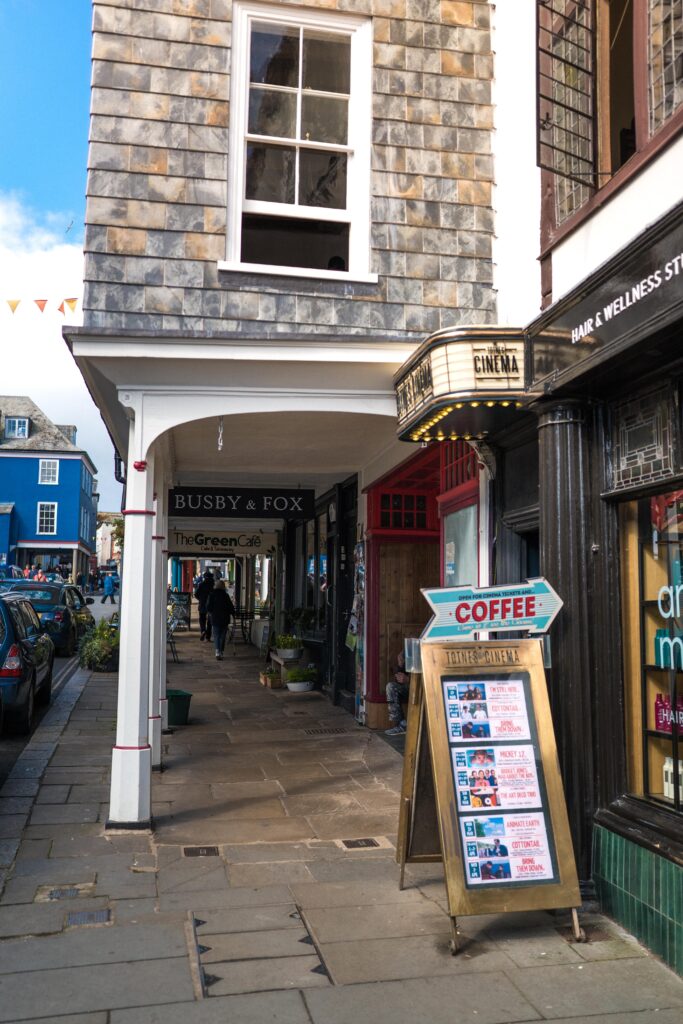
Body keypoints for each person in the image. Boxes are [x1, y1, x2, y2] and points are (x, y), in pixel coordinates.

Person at [206, 579, 235, 660]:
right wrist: (233, 613)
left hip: (215, 618)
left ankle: (217, 651)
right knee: (222, 636)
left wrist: (210, 613)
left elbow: (208, 607)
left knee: (216, 635)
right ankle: (221, 651)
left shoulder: (212, 595)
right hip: (225, 618)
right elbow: (230, 607)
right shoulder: (226, 595)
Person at [385, 651, 410, 736]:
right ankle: (402, 725)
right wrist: (400, 664)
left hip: (424, 690)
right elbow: (399, 679)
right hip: (410, 689)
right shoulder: (409, 652)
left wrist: (408, 679)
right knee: (391, 687)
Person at [194, 569, 214, 641]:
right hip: (211, 606)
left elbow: (196, 594)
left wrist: (201, 599)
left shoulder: (201, 584)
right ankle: (208, 637)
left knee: (202, 619)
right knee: (210, 621)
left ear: (204, 577)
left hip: (202, 604)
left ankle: (203, 630)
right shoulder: (213, 585)